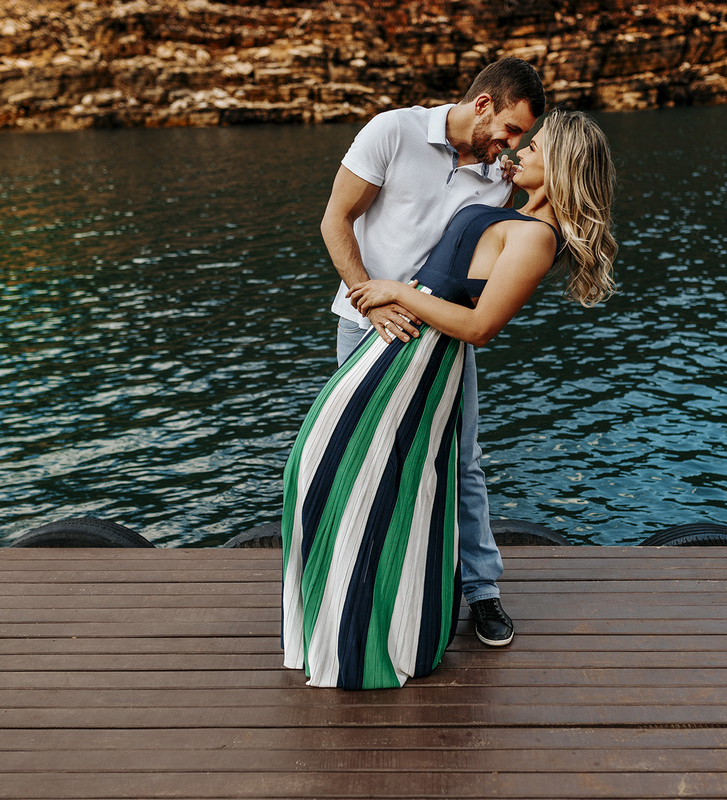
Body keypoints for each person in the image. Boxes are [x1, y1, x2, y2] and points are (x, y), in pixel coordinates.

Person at [282, 109, 618, 689]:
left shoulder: (538, 237)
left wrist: (395, 290)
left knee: (373, 475)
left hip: (418, 353)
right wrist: (507, 175)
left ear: (561, 167)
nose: (519, 150)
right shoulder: (513, 205)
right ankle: (336, 617)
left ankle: (388, 622)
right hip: (393, 341)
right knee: (328, 469)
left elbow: (480, 326)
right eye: (519, 138)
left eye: (534, 147)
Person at [318, 58, 546, 648]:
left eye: (522, 138)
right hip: (366, 328)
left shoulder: (502, 175)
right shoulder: (393, 131)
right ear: (483, 104)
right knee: (365, 458)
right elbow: (336, 219)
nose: (511, 144)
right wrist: (369, 301)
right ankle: (361, 586)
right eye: (511, 129)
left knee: (461, 460)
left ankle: (482, 589)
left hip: (444, 337)